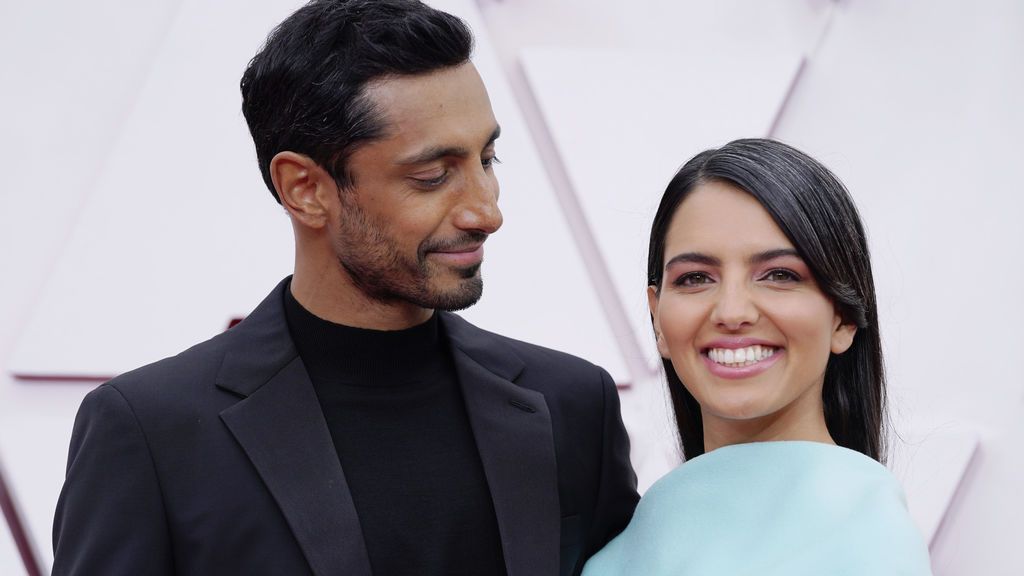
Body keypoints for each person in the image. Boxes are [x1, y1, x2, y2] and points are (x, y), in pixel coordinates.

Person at [51, 1, 638, 575]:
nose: (487, 212)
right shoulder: (152, 432)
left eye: (488, 160)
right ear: (305, 189)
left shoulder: (573, 406)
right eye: (432, 176)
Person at [583, 139, 932, 575]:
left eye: (779, 275)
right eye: (695, 278)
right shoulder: (627, 537)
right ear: (657, 317)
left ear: (843, 317)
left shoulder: (870, 540)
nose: (732, 312)